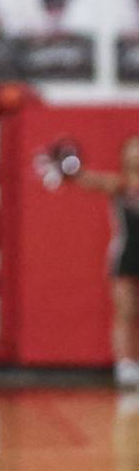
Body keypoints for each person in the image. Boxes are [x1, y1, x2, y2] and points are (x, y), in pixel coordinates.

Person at [64, 135, 139, 387]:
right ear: (124, 155)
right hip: (127, 253)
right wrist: (68, 164)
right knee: (125, 311)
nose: (136, 153)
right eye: (132, 149)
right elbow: (85, 179)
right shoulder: (118, 184)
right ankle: (126, 366)